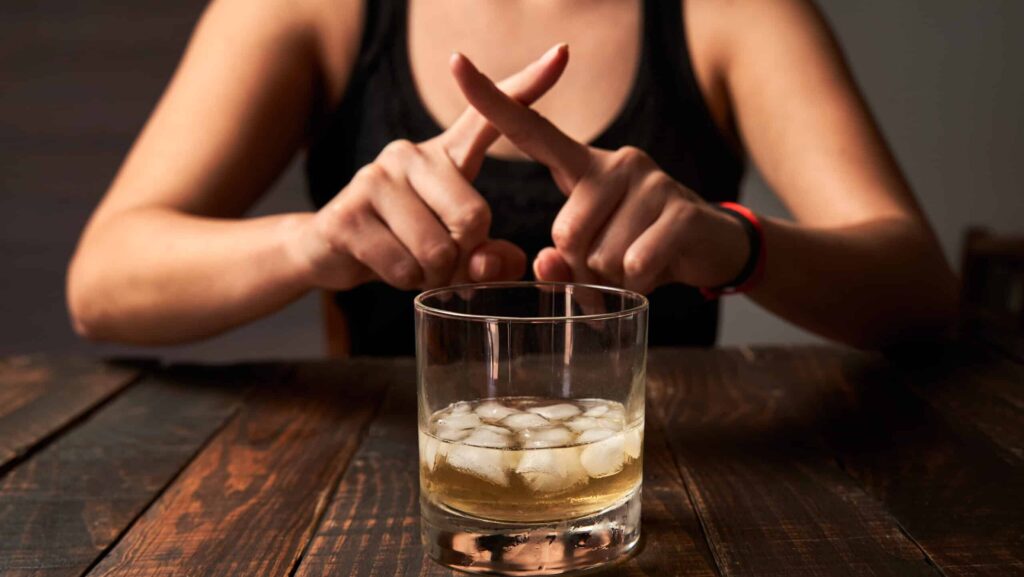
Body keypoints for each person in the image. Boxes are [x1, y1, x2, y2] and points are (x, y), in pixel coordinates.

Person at [67, 0, 958, 354]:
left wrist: (736, 243)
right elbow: (102, 283)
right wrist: (313, 243)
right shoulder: (313, 8)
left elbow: (919, 288)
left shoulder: (733, 12)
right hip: (391, 497)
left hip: (667, 496)